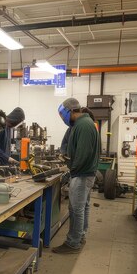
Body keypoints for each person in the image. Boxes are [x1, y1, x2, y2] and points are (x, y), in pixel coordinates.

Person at [52, 98, 99, 254]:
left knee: (76, 208)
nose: (62, 119)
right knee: (83, 206)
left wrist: (71, 168)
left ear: (70, 111)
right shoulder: (81, 124)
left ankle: (73, 242)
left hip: (82, 174)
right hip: (85, 173)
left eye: (62, 115)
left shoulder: (84, 126)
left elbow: (83, 154)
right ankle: (80, 235)